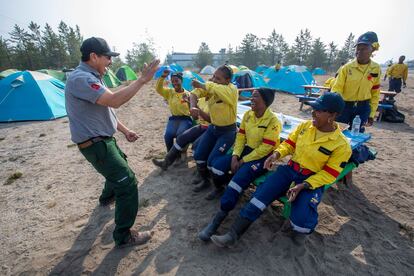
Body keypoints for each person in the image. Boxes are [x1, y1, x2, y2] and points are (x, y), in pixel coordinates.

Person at [208, 93, 352, 248]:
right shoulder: (305, 127)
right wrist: (276, 154)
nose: (312, 112)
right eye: (313, 108)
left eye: (318, 110)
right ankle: (232, 235)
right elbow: (289, 144)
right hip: (289, 170)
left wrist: (304, 185)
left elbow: (329, 174)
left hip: (311, 179)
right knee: (259, 197)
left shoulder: (341, 145)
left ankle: (301, 231)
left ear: (332, 115)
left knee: (302, 220)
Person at [65, 37, 160, 248]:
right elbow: (114, 100)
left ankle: (107, 198)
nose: (110, 61)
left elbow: (106, 109)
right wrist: (142, 80)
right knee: (127, 183)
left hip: (103, 140)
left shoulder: (93, 76)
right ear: (93, 56)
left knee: (118, 167)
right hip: (97, 144)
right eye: (108, 57)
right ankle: (124, 235)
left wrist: (125, 130)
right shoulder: (81, 78)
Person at [198, 88, 282, 240]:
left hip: (262, 157)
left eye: (255, 96)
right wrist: (236, 155)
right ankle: (221, 189)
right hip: (246, 150)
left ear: (265, 101)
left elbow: (265, 148)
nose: (251, 98)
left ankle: (217, 222)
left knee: (237, 182)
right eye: (252, 95)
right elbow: (241, 136)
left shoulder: (273, 121)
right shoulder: (248, 115)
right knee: (217, 167)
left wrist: (243, 160)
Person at [189, 65, 239, 193]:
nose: (214, 80)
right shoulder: (212, 86)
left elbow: (212, 87)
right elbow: (194, 94)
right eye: (213, 76)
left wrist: (203, 84)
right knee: (199, 155)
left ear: (227, 80)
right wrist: (193, 107)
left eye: (218, 78)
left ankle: (219, 187)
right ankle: (205, 181)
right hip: (213, 128)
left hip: (228, 131)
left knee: (212, 162)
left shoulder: (232, 90)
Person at [331, 31, 381, 132]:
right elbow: (337, 88)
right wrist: (335, 107)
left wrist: (371, 113)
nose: (359, 51)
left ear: (373, 50)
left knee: (357, 134)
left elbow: (375, 92)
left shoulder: (376, 68)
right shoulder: (346, 68)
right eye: (358, 48)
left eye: (364, 48)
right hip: (344, 106)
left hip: (363, 108)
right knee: (338, 132)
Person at [152, 95, 211, 170]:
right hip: (202, 126)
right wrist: (191, 104)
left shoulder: (215, 101)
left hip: (211, 129)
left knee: (196, 147)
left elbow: (210, 120)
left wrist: (198, 109)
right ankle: (166, 162)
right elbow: (195, 118)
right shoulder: (202, 99)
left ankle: (202, 173)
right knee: (181, 137)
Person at [155, 70, 193, 152]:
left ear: (181, 81)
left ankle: (181, 153)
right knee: (168, 136)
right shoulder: (169, 92)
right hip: (174, 118)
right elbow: (158, 89)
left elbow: (193, 110)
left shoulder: (188, 94)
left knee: (180, 135)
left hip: (186, 119)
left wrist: (188, 101)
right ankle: (170, 154)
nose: (174, 83)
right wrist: (163, 77)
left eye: (176, 81)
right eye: (172, 81)